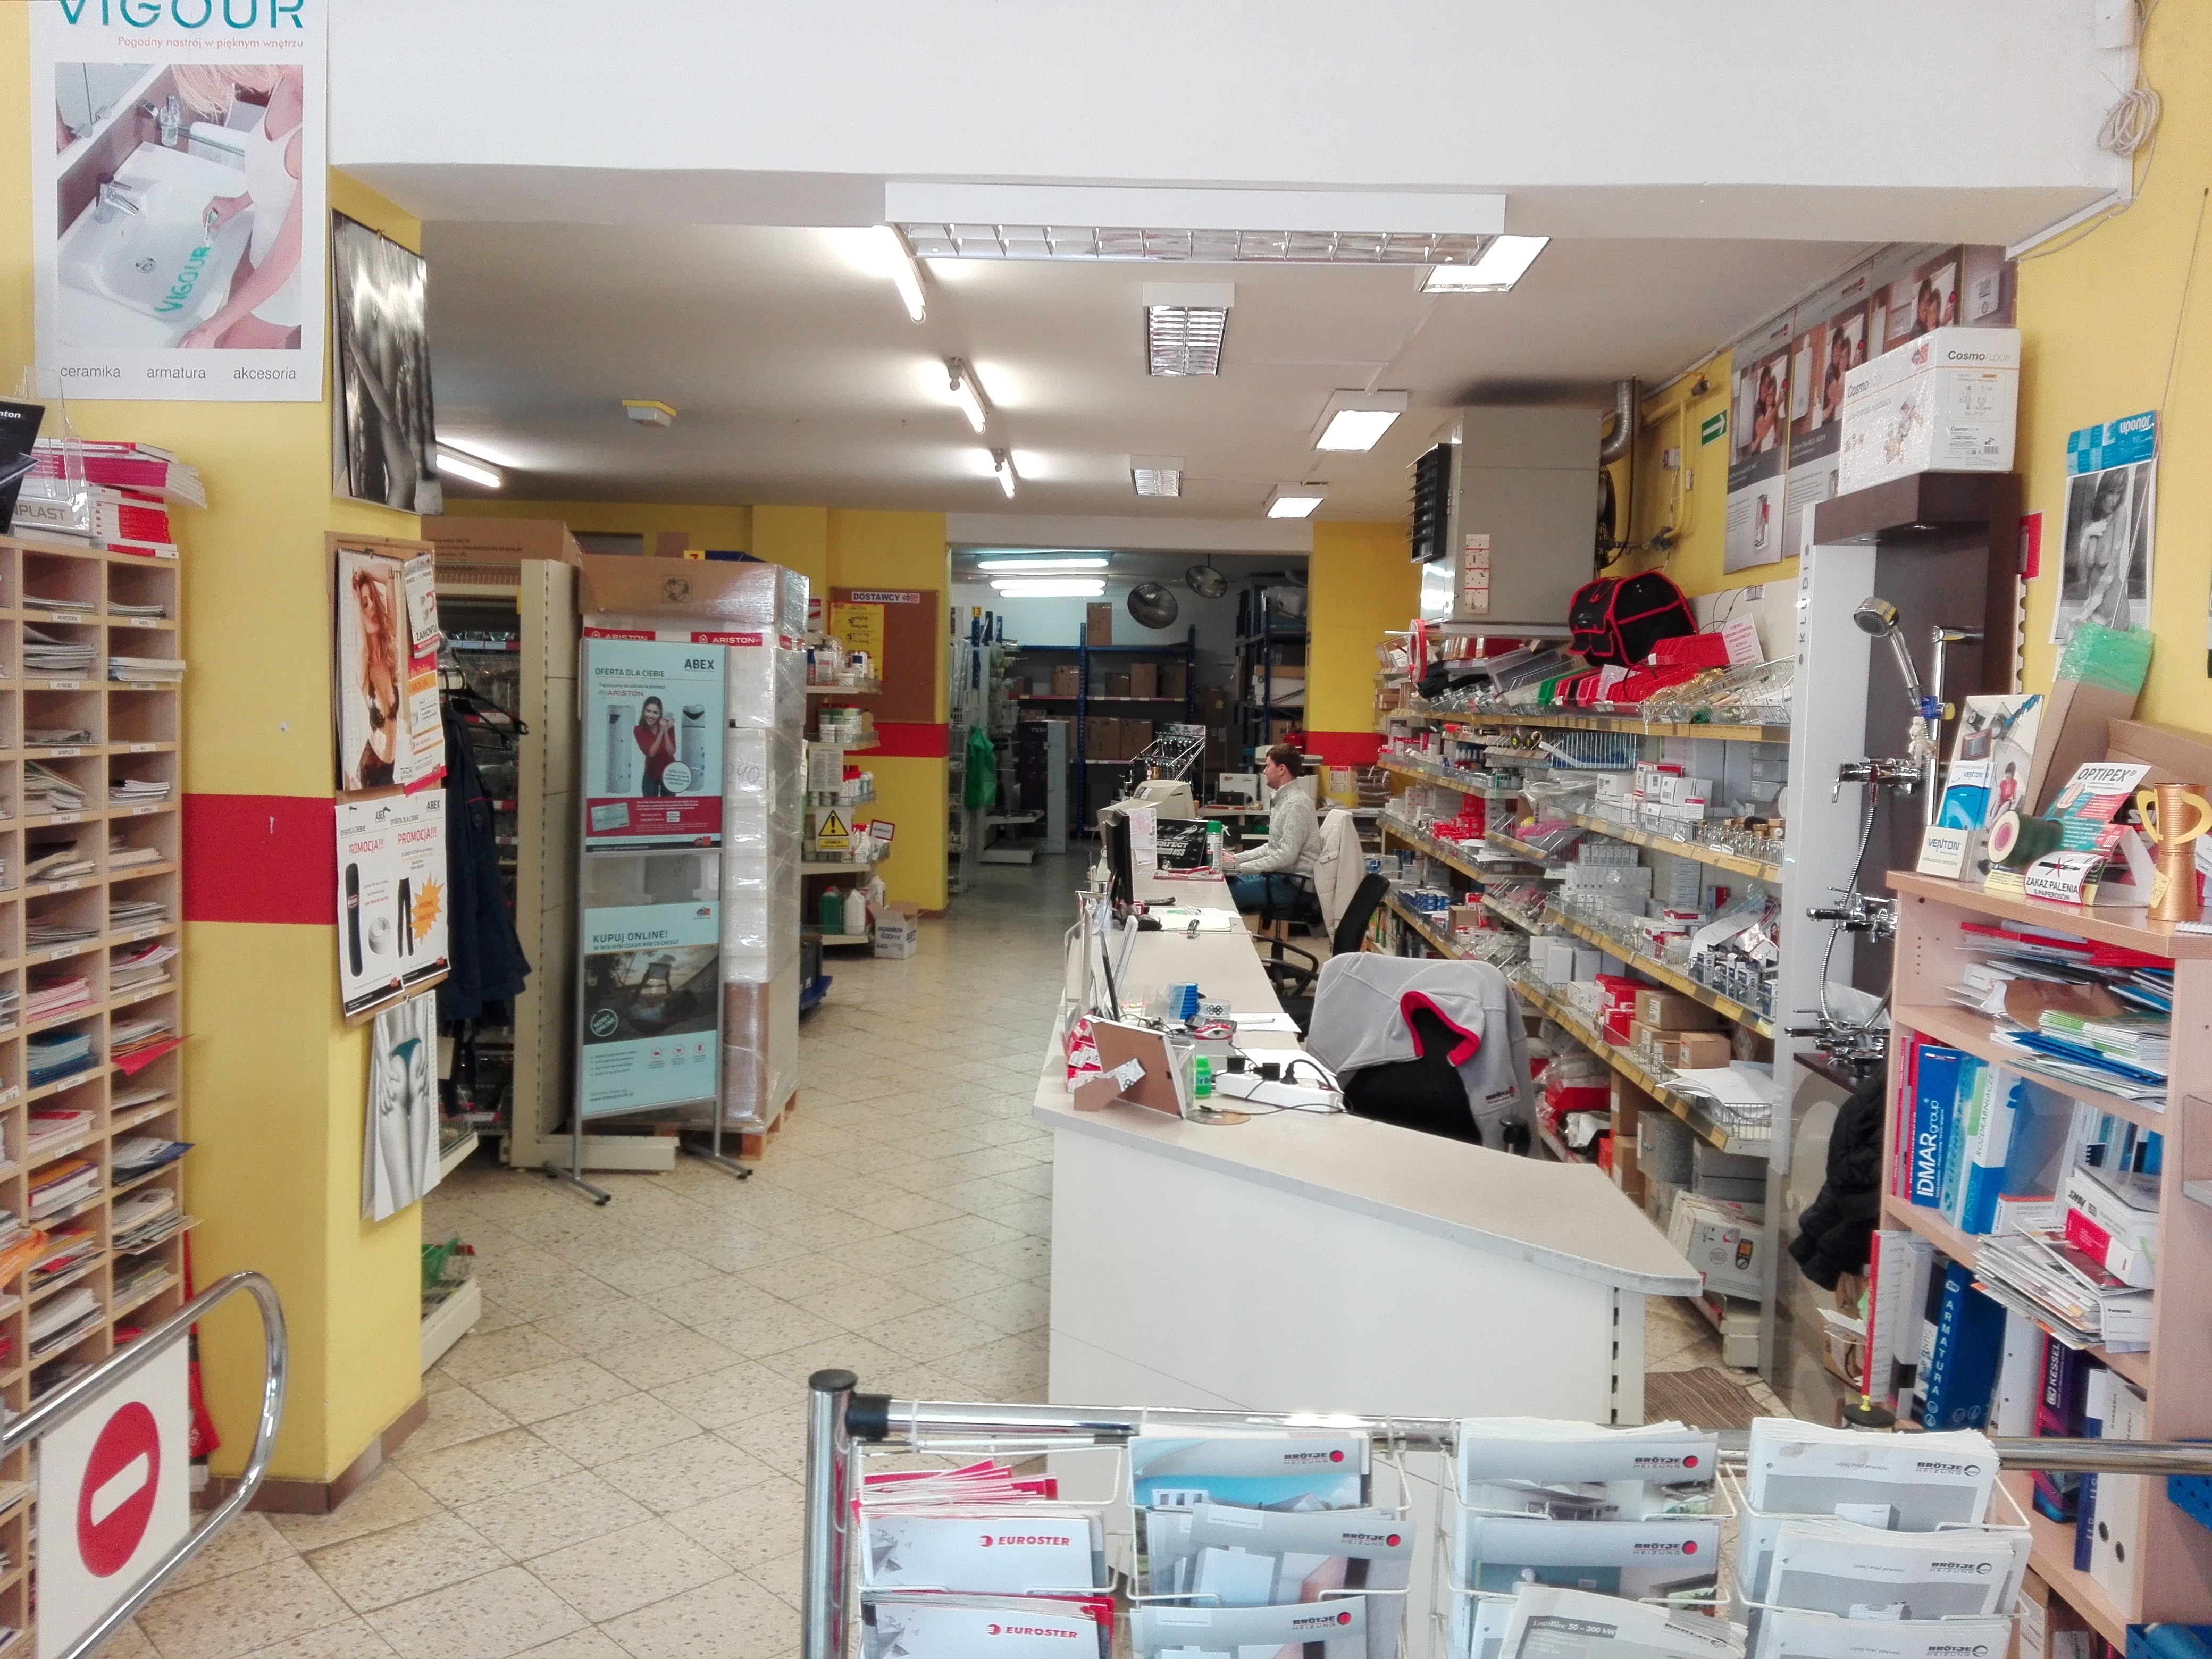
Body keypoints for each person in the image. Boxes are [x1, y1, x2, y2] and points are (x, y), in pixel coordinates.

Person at [173, 64, 306, 350]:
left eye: (229, 75)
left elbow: (283, 261)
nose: (232, 85)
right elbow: (278, 172)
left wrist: (210, 330)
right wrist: (239, 202)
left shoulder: (316, 134)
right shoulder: (286, 80)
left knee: (230, 352)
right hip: (259, 250)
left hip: (287, 286)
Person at [1224, 744, 1320, 915]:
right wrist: (1236, 859)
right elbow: (1272, 848)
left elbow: (1286, 856)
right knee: (1226, 881)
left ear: (1282, 769)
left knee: (1226, 896)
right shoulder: (1282, 800)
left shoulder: (1295, 804)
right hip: (1282, 876)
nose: (1264, 771)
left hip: (1295, 885)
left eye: (1268, 766)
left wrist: (1239, 867)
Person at [350, 566, 399, 789]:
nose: (371, 607)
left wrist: (366, 573)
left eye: (374, 600)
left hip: (390, 769)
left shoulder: (389, 660)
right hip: (371, 770)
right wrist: (356, 596)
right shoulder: (364, 665)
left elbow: (389, 580)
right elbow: (362, 640)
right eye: (365, 603)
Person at [633, 696, 676, 795]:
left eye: (655, 713)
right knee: (650, 804)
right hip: (651, 773)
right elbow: (651, 753)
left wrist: (666, 731)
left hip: (669, 772)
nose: (651, 716)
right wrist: (661, 732)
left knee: (669, 804)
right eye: (648, 711)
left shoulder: (668, 726)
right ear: (644, 711)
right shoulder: (639, 730)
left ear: (660, 714)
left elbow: (671, 752)